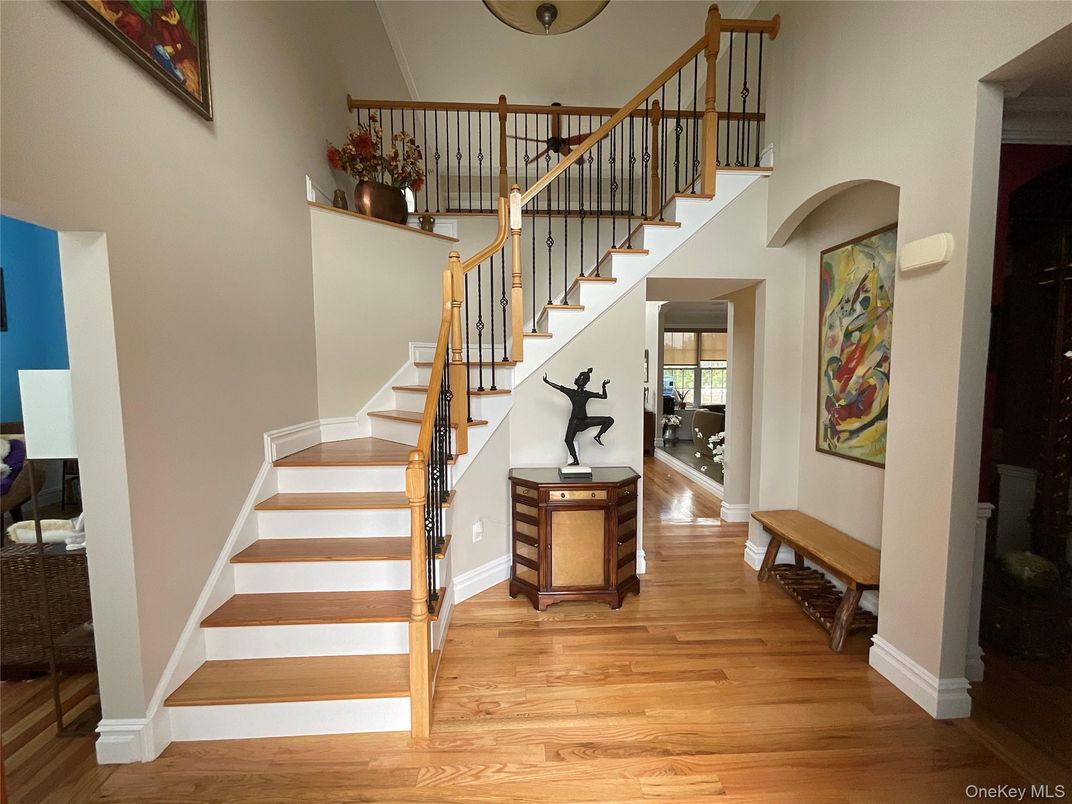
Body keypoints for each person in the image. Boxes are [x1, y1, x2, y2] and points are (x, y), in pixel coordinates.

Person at [542, 368, 614, 466]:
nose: (577, 378)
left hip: (585, 421)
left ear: (584, 381)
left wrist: (603, 386)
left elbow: (604, 396)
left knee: (609, 420)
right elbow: (559, 388)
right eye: (578, 377)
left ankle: (598, 436)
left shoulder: (586, 394)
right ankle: (575, 460)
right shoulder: (572, 392)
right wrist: (547, 382)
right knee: (568, 440)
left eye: (579, 377)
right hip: (574, 422)